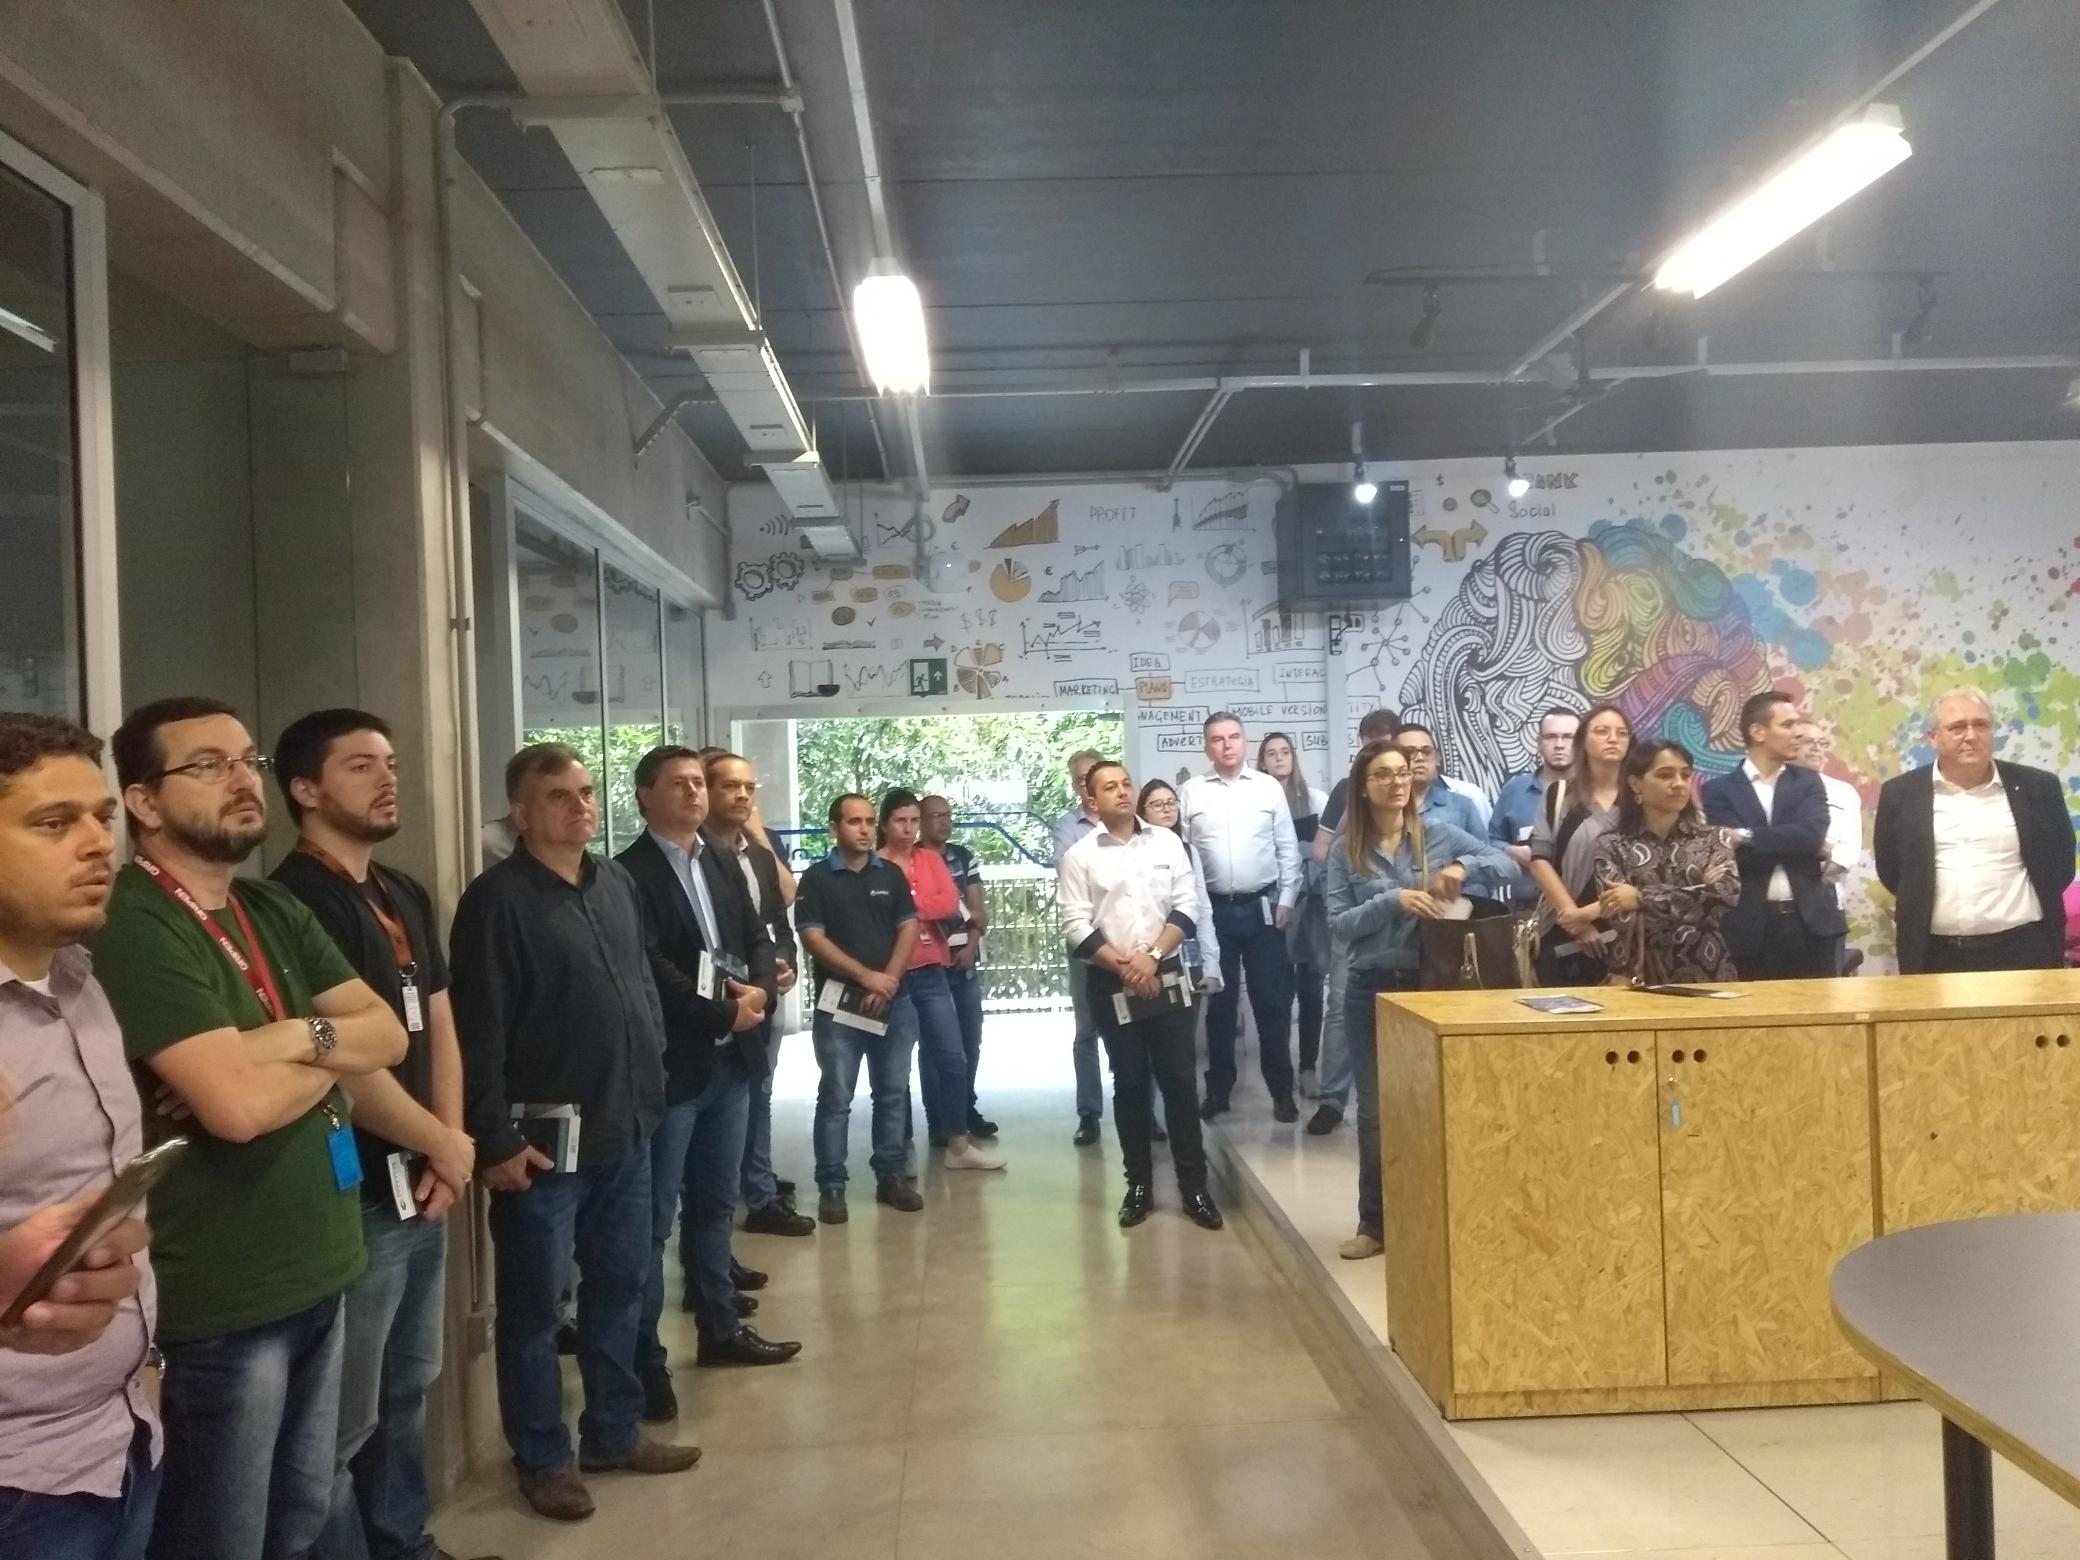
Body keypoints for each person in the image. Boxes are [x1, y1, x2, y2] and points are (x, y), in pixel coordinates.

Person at [93, 697, 409, 1560]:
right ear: (144, 801)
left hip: (322, 1264)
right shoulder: (133, 921)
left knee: (301, 1515)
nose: (240, 780)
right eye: (208, 765)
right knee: (222, 1537)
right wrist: (327, 1053)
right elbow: (234, 1112)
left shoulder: (269, 907)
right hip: (224, 1298)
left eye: (247, 762)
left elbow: (388, 1034)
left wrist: (282, 1040)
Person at [450, 743, 698, 1523]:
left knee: (622, 1287)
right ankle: (542, 1457)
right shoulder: (496, 903)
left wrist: (653, 1083)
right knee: (533, 1310)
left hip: (627, 1130)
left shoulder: (615, 883)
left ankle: (613, 1432)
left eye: (586, 792)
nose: (580, 806)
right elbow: (478, 1028)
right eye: (559, 796)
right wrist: (491, 1137)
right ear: (520, 813)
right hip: (541, 1147)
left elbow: (642, 989)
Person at [268, 710, 481, 1560]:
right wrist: (440, 1142)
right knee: (344, 1417)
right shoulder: (290, 902)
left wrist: (449, 1140)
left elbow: (440, 1018)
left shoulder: (403, 890)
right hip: (357, 1184)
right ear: (305, 790)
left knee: (409, 1385)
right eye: (360, 766)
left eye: (390, 762)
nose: (388, 778)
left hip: (426, 1174)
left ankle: (403, 1541)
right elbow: (338, 1061)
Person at [0, 712, 160, 1560]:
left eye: (102, 817)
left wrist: (144, 1363)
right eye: (53, 823)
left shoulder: (81, 984)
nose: (99, 845)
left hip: (119, 1433)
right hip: (18, 1479)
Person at [615, 747, 798, 1409]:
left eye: (699, 782)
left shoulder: (722, 859)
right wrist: (723, 1007)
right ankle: (645, 1360)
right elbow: (649, 967)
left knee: (716, 1205)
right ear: (645, 796)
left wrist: (760, 992)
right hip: (677, 1067)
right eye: (680, 784)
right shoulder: (627, 873)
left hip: (732, 1060)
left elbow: (757, 935)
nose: (694, 793)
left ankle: (720, 1329)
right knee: (654, 1220)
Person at [1326, 740, 1509, 1262]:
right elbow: (1338, 925)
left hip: (1433, 986)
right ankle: (1375, 1223)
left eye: (1403, 772)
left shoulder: (1437, 835)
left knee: (1438, 1105)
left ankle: (1439, 1218)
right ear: (1364, 787)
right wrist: (1393, 899)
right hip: (1372, 988)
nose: (1397, 782)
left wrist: (1462, 869)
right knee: (1376, 1113)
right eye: (1383, 774)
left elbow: (1505, 865)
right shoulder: (1345, 851)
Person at [1058, 761, 1222, 1231]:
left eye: (1126, 783)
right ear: (1091, 800)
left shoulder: (1167, 842)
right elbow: (1075, 925)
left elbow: (1186, 906)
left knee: (1179, 1083)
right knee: (1129, 1085)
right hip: (1111, 982)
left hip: (1166, 975)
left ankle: (1194, 1188)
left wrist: (1150, 958)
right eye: (1109, 787)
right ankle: (1139, 1187)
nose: (1122, 791)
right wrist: (1127, 968)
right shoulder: (1080, 856)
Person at [1874, 688, 2075, 974]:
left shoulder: (2038, 787)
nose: (1971, 736)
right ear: (1933, 737)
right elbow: (1892, 870)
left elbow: (2059, 864)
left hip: (2024, 950)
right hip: (1934, 954)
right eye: (1957, 727)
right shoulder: (1900, 793)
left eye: (1981, 725)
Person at [795, 793, 923, 1222]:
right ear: (835, 828)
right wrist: (867, 977)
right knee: (836, 1096)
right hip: (840, 1008)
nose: (865, 829)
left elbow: (909, 928)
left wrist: (888, 980)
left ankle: (891, 1175)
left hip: (893, 1002)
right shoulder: (816, 879)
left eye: (870, 821)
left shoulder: (890, 874)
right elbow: (813, 939)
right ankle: (832, 1184)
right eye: (855, 822)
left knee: (893, 1093)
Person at [702, 752, 814, 1239]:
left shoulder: (761, 855)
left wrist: (781, 965)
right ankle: (724, 1204)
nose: (744, 796)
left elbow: (777, 921)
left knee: (759, 1093)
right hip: (717, 1001)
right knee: (720, 1106)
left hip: (763, 993)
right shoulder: (695, 856)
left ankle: (760, 1194)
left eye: (750, 787)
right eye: (731, 787)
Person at [877, 791, 1007, 1174]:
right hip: (894, 974)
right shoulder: (876, 865)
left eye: (913, 821)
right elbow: (876, 913)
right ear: (885, 824)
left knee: (953, 1058)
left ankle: (958, 1143)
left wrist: (904, 906)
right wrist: (919, 904)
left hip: (933, 971)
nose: (908, 828)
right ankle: (898, 1145)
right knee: (896, 1067)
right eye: (901, 821)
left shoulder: (931, 860)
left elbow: (948, 904)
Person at [1181, 712, 1301, 1122]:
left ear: (1245, 742)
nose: (1227, 745)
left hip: (1264, 909)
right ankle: (1218, 1090)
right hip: (1213, 913)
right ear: (1206, 747)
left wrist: (1287, 898)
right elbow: (1183, 856)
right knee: (1219, 1007)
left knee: (1272, 1004)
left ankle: (1282, 1091)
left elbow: (1287, 848)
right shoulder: (1191, 792)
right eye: (1217, 739)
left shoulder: (1267, 788)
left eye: (1233, 737)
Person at [1701, 691, 1847, 981]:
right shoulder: (1718, 790)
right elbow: (1735, 858)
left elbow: (1811, 835)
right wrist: (1795, 843)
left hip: (1811, 926)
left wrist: (1746, 836)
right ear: (1758, 732)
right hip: (1750, 928)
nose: (1799, 732)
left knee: (1818, 1009)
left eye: (1798, 723)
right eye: (1788, 725)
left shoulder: (1808, 781)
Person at [1305, 707, 1398, 1136]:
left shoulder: (1446, 798)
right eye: (1371, 745)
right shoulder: (1346, 790)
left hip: (1411, 924)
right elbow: (1321, 849)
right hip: (1357, 915)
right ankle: (1332, 1099)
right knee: (1341, 1005)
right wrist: (1350, 876)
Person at [1593, 741, 1741, 986]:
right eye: (1665, 775)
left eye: (1685, 775)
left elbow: (1725, 897)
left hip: (1707, 971)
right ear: (1635, 784)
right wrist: (1699, 890)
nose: (1678, 783)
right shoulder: (1611, 845)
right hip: (1638, 973)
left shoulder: (1714, 838)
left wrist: (1639, 897)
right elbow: (1621, 916)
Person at [1525, 703, 1633, 985]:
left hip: (1628, 930)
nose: (1613, 738)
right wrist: (1575, 919)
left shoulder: (1640, 798)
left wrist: (1593, 913)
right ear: (1583, 740)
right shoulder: (1559, 794)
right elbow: (1540, 860)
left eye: (1621, 733)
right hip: (1562, 927)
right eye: (1602, 731)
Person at [920, 794, 996, 1139]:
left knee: (970, 1040)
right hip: (929, 965)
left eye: (948, 814)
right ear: (921, 821)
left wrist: (971, 944)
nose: (944, 821)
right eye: (935, 815)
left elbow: (979, 911)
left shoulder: (963, 857)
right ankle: (939, 1119)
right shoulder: (914, 859)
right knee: (935, 1046)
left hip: (964, 961)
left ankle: (966, 1108)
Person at [1259, 733, 1330, 1101]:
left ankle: (1308, 1068)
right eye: (1271, 753)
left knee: (1312, 988)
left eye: (1285, 752)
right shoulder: (1256, 801)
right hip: (1274, 904)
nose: (1279, 758)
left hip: (1312, 905)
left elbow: (1328, 850)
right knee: (1278, 992)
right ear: (1262, 761)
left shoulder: (1315, 799)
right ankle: (1282, 1073)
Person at [1053, 749, 1105, 1145]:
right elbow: (1070, 872)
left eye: (1092, 776)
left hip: (1130, 940)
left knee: (1136, 1028)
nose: (1086, 784)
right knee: (1086, 1032)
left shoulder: (1132, 821)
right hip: (1087, 940)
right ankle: (1089, 1114)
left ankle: (1143, 1111)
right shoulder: (1067, 826)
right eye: (1079, 779)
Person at [1393, 724, 1509, 900]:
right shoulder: (1376, 810)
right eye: (1410, 752)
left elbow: (1495, 864)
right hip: (1393, 908)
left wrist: (1462, 869)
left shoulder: (1461, 806)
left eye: (1426, 751)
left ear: (1437, 759)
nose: (1419, 758)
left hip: (1451, 908)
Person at [1490, 708, 1580, 910]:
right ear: (1539, 743)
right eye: (1551, 737)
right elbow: (1490, 842)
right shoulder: (1515, 790)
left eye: (1568, 737)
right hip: (1526, 908)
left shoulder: (1595, 793)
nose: (1559, 744)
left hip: (1581, 906)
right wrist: (1512, 851)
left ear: (1581, 742)